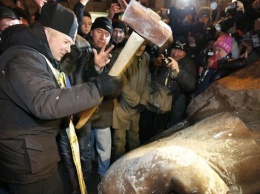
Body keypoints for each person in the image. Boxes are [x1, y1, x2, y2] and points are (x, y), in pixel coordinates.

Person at [0, 3, 121, 194]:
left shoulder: (38, 55)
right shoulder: (23, 57)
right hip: (28, 163)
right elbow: (45, 101)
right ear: (48, 32)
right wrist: (96, 89)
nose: (68, 48)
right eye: (66, 42)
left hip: (36, 153)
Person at [139, 36, 197, 143]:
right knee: (143, 128)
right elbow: (148, 74)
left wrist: (178, 71)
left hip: (166, 105)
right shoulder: (165, 58)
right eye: (174, 49)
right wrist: (155, 64)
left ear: (185, 53)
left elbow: (190, 86)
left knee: (157, 132)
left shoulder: (189, 64)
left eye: (180, 51)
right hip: (150, 98)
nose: (175, 53)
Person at [112, 38, 151, 161]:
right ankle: (118, 167)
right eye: (138, 44)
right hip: (121, 107)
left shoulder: (146, 57)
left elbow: (147, 80)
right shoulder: (122, 56)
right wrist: (137, 101)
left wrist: (144, 101)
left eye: (144, 44)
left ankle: (134, 164)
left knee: (134, 138)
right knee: (119, 141)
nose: (140, 48)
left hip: (136, 108)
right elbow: (121, 84)